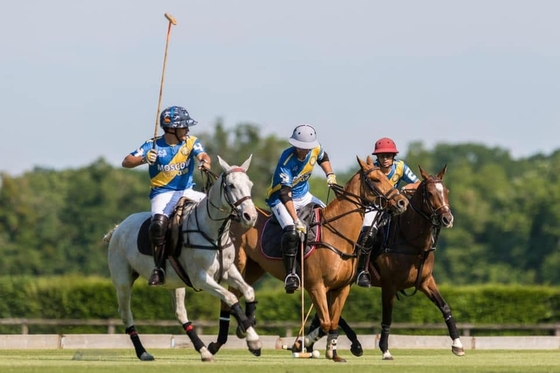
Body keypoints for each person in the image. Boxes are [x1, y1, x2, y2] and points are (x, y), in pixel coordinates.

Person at [122, 105, 211, 286]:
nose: (187, 130)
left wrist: (204, 162)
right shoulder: (152, 144)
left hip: (187, 190)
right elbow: (126, 161)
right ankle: (159, 268)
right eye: (184, 127)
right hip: (162, 193)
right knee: (158, 225)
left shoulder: (191, 141)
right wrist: (144, 159)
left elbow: (203, 155)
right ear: (172, 129)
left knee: (216, 209)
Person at [265, 124, 337, 294]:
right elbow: (285, 193)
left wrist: (330, 175)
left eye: (307, 148)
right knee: (291, 231)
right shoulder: (286, 161)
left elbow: (323, 157)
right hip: (281, 200)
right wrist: (296, 220)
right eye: (300, 147)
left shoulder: (315, 148)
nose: (304, 151)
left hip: (305, 195)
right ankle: (291, 274)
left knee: (329, 218)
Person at [356, 137, 420, 287]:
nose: (385, 159)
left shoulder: (400, 167)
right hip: (375, 207)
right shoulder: (373, 171)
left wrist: (407, 188)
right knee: (369, 233)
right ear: (377, 157)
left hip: (394, 208)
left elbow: (418, 183)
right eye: (382, 156)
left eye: (388, 156)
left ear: (393, 157)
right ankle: (361, 271)